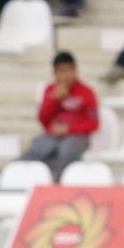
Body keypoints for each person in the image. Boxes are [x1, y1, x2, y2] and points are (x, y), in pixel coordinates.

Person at [21, 52, 98, 181]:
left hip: (77, 136)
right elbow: (42, 120)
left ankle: (57, 187)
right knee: (37, 148)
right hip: (53, 135)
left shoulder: (86, 92)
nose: (65, 75)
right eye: (61, 71)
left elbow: (94, 123)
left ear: (75, 71)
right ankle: (4, 182)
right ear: (55, 73)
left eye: (69, 70)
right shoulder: (50, 90)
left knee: (66, 150)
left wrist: (69, 129)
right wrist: (53, 100)